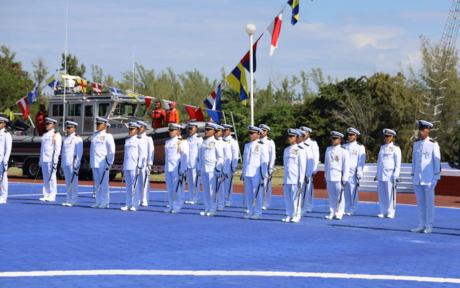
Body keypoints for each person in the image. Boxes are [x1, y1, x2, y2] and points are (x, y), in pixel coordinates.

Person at [410, 120, 441, 234]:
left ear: (429, 130)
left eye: (423, 129)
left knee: (429, 204)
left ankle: (429, 225)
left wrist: (436, 178)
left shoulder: (433, 144)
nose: (420, 131)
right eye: (420, 129)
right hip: (417, 178)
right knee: (420, 203)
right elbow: (414, 161)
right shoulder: (416, 144)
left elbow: (436, 162)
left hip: (428, 179)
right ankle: (421, 224)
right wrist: (413, 176)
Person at [241, 126, 269, 220]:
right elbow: (245, 161)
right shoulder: (247, 145)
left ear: (258, 134)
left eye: (252, 133)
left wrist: (263, 175)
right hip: (248, 172)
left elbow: (264, 161)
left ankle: (258, 212)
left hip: (256, 173)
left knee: (257, 193)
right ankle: (251, 211)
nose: (250, 135)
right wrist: (243, 172)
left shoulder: (261, 145)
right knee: (249, 194)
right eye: (249, 133)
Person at [197, 122, 223, 216]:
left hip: (212, 169)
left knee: (212, 190)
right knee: (206, 190)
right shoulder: (203, 141)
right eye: (206, 129)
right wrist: (199, 168)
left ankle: (213, 209)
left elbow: (220, 157)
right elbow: (201, 156)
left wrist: (218, 169)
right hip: (204, 168)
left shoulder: (217, 142)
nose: (206, 131)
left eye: (208, 130)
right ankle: (207, 208)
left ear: (213, 131)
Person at [375, 129, 401, 218]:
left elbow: (397, 163)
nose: (386, 138)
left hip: (390, 174)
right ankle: (383, 211)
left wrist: (396, 174)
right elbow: (379, 162)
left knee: (390, 193)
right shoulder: (382, 147)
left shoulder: (396, 148)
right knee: (382, 193)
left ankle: (391, 212)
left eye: (388, 136)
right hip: (381, 173)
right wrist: (377, 173)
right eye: (385, 136)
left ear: (392, 137)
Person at [281, 129, 306, 222]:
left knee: (296, 198)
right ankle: (289, 214)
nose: (289, 138)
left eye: (291, 136)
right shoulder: (286, 150)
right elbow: (285, 165)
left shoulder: (300, 150)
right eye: (288, 136)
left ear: (296, 138)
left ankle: (296, 215)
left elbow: (302, 166)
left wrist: (301, 180)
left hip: (295, 178)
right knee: (288, 198)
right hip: (287, 178)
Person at [90, 117, 115, 209]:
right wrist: (91, 161)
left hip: (103, 162)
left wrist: (109, 162)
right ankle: (98, 201)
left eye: (99, 124)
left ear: (104, 125)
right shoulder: (95, 135)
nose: (97, 126)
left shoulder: (108, 136)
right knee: (97, 182)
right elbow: (92, 150)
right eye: (97, 124)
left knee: (104, 183)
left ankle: (105, 202)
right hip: (95, 162)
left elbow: (111, 150)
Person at [324, 131, 350, 220]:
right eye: (332, 138)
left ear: (340, 140)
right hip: (330, 176)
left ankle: (339, 212)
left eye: (335, 138)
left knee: (339, 195)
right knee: (331, 195)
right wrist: (326, 175)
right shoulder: (328, 149)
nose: (333, 140)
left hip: (338, 176)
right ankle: (332, 212)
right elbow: (326, 164)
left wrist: (345, 178)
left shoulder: (343, 150)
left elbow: (346, 165)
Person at [164, 123, 189, 213]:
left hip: (176, 168)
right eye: (170, 130)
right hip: (168, 167)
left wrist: (183, 169)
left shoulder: (182, 142)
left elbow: (184, 156)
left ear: (178, 131)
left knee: (177, 188)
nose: (170, 132)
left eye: (172, 130)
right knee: (170, 188)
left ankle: (177, 206)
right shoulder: (167, 142)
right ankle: (171, 205)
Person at [121, 122, 146, 211]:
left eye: (132, 129)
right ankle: (128, 204)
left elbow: (142, 154)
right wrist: (124, 165)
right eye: (129, 129)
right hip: (128, 165)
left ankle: (135, 204)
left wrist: (140, 166)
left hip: (135, 166)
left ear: (136, 130)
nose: (130, 131)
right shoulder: (127, 140)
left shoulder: (139, 140)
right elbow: (126, 155)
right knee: (128, 186)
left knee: (134, 186)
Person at [342, 127, 366, 215]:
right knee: (345, 191)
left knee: (353, 191)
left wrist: (359, 172)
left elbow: (361, 160)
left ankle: (353, 209)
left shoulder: (359, 147)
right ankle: (347, 208)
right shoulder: (344, 146)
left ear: (356, 136)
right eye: (348, 135)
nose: (349, 136)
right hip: (345, 172)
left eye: (351, 135)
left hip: (353, 172)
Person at [39, 118, 62, 202]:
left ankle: (52, 195)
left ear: (53, 125)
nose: (46, 125)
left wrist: (55, 160)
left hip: (51, 159)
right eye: (46, 124)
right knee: (45, 177)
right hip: (44, 158)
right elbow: (42, 148)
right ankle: (46, 194)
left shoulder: (56, 135)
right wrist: (40, 159)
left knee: (52, 177)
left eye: (48, 124)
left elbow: (57, 149)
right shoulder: (44, 135)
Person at [61, 121, 83, 207]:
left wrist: (76, 164)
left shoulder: (77, 138)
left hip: (72, 163)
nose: (68, 129)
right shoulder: (66, 138)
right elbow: (63, 152)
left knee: (73, 182)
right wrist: (62, 162)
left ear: (74, 128)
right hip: (66, 162)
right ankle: (68, 199)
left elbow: (79, 153)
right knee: (67, 182)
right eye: (67, 127)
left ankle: (73, 200)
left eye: (69, 128)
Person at [300, 126, 320, 212]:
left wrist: (314, 170)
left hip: (309, 169)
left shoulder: (312, 143)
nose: (303, 135)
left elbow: (315, 157)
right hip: (301, 169)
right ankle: (301, 204)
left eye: (305, 133)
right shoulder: (299, 142)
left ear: (309, 134)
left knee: (308, 188)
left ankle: (309, 205)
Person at [295, 129, 314, 217]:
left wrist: (308, 174)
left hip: (304, 174)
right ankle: (295, 209)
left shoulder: (307, 147)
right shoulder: (294, 147)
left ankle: (302, 209)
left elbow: (310, 162)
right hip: (295, 174)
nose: (297, 138)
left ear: (302, 137)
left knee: (304, 193)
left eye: (298, 136)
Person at [137, 121, 154, 207]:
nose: (138, 129)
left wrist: (149, 164)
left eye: (140, 127)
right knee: (136, 183)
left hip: (144, 164)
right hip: (136, 163)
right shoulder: (135, 138)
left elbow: (151, 151)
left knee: (144, 182)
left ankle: (144, 199)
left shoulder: (148, 139)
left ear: (144, 128)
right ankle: (138, 199)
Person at [259, 124, 276, 210]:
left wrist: (271, 169)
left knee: (266, 185)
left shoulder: (270, 142)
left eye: (264, 131)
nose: (262, 132)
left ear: (267, 132)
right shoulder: (256, 140)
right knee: (257, 185)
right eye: (261, 130)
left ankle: (266, 203)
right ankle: (259, 202)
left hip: (266, 166)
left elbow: (272, 156)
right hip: (257, 166)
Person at [185, 122, 203, 205]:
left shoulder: (199, 139)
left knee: (195, 182)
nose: (190, 130)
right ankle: (191, 197)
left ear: (196, 129)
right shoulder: (188, 139)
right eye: (189, 129)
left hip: (195, 164)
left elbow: (200, 153)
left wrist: (199, 165)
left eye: (191, 129)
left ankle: (196, 198)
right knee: (190, 182)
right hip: (188, 164)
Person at [222, 124, 239, 207]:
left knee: (228, 184)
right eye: (223, 130)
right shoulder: (219, 140)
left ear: (229, 131)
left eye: (225, 130)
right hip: (220, 165)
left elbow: (235, 154)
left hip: (228, 165)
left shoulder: (232, 141)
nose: (224, 132)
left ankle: (228, 199)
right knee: (220, 184)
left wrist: (234, 166)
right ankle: (221, 199)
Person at [216, 125, 231, 211]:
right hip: (212, 168)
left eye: (218, 131)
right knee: (213, 188)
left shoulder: (224, 143)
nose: (216, 133)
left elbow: (227, 157)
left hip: (221, 168)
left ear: (221, 132)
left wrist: (225, 170)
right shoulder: (212, 142)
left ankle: (220, 204)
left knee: (220, 188)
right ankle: (213, 203)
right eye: (215, 131)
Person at [0, 117, 12, 204]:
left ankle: (3, 197)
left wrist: (6, 159)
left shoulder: (6, 134)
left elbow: (8, 149)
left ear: (4, 124)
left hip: (2, 159)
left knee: (3, 178)